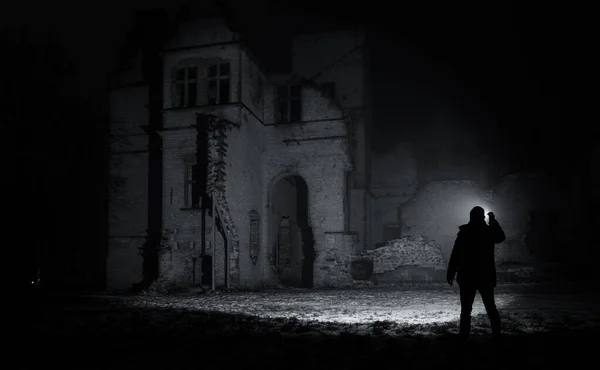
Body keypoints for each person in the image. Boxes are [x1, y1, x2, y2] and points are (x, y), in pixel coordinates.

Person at [446, 206, 506, 343]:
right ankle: (497, 336)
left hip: (467, 276)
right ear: (482, 217)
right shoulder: (488, 231)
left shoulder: (464, 232)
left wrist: (451, 272)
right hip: (485, 275)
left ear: (471, 216)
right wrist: (493, 222)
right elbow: (500, 237)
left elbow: (455, 254)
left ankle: (463, 337)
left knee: (466, 310)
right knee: (490, 307)